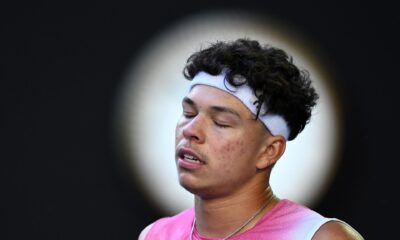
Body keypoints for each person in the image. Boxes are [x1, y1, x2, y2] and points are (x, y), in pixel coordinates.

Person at [139, 38, 364, 239]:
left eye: (221, 122)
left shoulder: (320, 237)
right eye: (189, 113)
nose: (191, 130)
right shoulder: (155, 235)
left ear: (269, 151)